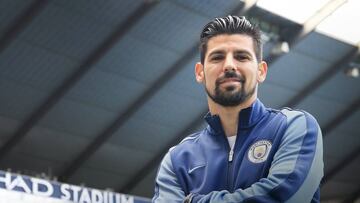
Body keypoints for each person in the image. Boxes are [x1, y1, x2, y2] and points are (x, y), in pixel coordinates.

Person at [152, 15, 323, 203]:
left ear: (261, 71)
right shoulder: (178, 160)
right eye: (217, 57)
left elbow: (283, 198)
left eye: (242, 57)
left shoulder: (294, 127)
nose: (229, 65)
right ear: (200, 72)